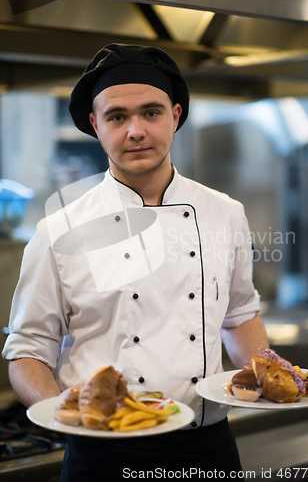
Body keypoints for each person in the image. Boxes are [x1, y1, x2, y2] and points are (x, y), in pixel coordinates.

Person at [2, 44, 269, 481]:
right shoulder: (58, 230)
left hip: (207, 448)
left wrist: (274, 375)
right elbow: (28, 351)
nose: (135, 131)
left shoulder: (225, 212)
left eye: (151, 113)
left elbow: (239, 316)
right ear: (95, 124)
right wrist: (62, 413)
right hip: (102, 454)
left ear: (176, 115)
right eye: (117, 116)